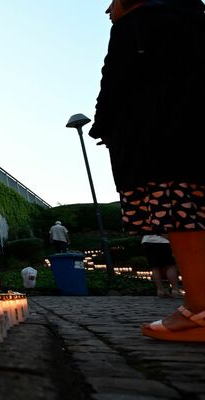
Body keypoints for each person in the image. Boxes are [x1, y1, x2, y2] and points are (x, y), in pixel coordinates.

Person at [89, 0, 205, 341]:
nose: (108, 11)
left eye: (112, 2)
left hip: (163, 139)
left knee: (180, 213)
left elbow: (115, 81)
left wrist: (102, 126)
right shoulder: (196, 19)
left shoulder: (138, 24)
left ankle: (200, 308)